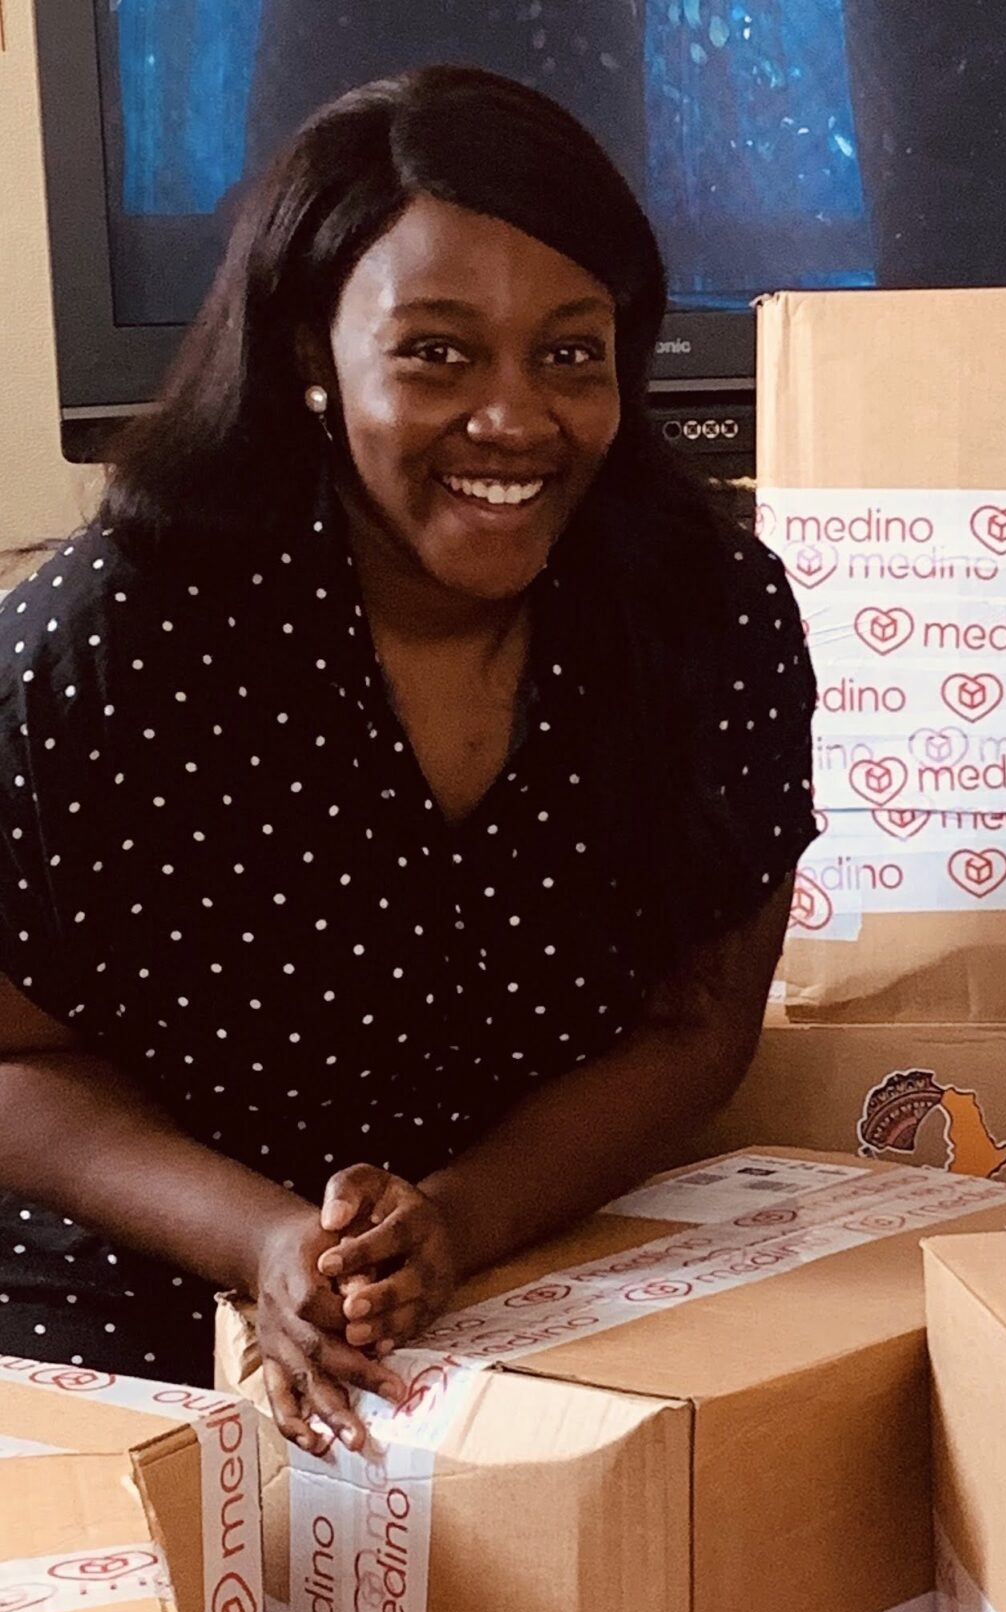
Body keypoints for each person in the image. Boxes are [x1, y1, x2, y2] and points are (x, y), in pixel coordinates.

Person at [0, 66, 817, 1453]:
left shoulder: (710, 616)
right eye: (438, 353)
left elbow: (698, 1026)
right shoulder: (110, 637)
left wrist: (455, 1223)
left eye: (571, 355)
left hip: (533, 1244)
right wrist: (264, 1241)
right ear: (311, 353)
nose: (516, 420)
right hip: (135, 1274)